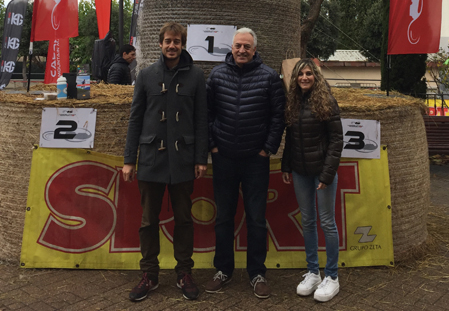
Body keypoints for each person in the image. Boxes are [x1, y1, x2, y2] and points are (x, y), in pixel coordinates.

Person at [122, 23, 208, 302]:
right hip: (150, 159)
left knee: (183, 220)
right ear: (160, 44)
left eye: (177, 41)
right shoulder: (146, 75)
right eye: (168, 41)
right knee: (148, 221)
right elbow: (135, 120)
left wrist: (200, 158)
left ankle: (184, 272)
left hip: (184, 159)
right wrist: (129, 161)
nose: (172, 46)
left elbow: (201, 120)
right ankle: (149, 274)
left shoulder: (196, 76)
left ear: (183, 44)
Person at [205, 28, 285, 299]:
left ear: (254, 49)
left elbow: (278, 117)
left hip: (255, 160)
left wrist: (267, 149)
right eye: (238, 46)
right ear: (231, 47)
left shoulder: (270, 77)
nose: (242, 50)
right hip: (224, 157)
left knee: (256, 219)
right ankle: (223, 270)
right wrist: (212, 146)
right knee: (224, 218)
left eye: (247, 47)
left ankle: (257, 273)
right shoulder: (216, 75)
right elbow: (206, 113)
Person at [281, 59, 343, 303]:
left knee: (327, 222)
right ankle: (313, 272)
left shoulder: (326, 101)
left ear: (316, 76)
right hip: (300, 171)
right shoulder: (293, 103)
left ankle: (332, 276)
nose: (304, 77)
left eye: (309, 73)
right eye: (300, 74)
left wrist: (327, 175)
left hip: (321, 173)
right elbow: (291, 138)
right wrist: (287, 166)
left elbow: (337, 140)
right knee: (307, 220)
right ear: (295, 78)